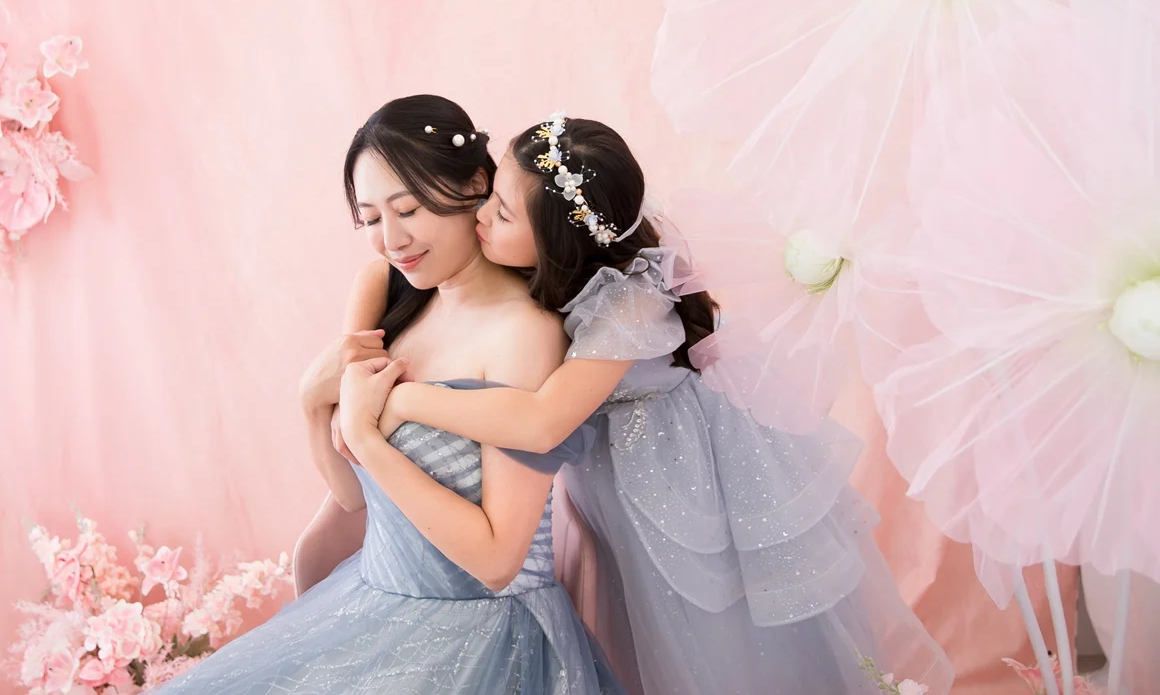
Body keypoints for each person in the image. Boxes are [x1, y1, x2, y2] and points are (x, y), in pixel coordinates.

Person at [357, 112, 955, 694]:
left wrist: (405, 401)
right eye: (490, 198)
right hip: (612, 462)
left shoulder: (629, 301)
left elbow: (541, 423)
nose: (480, 216)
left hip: (679, 462)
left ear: (555, 238)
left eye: (502, 212)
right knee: (631, 618)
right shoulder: (531, 273)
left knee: (711, 627)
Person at [153, 96, 622, 694]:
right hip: (371, 602)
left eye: (408, 209)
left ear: (476, 187)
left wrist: (370, 439)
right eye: (372, 219)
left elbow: (498, 561)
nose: (391, 241)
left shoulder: (522, 334)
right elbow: (353, 496)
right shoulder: (387, 292)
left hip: (480, 636)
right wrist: (311, 402)